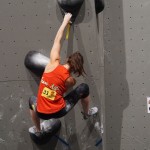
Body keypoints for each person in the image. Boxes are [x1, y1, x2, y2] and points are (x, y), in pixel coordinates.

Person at [29, 13, 98, 135]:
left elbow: (58, 40)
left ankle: (38, 130)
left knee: (31, 100)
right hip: (59, 112)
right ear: (76, 69)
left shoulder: (52, 63)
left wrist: (65, 21)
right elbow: (64, 89)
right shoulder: (70, 80)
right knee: (84, 88)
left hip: (40, 112)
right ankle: (87, 114)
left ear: (67, 59)